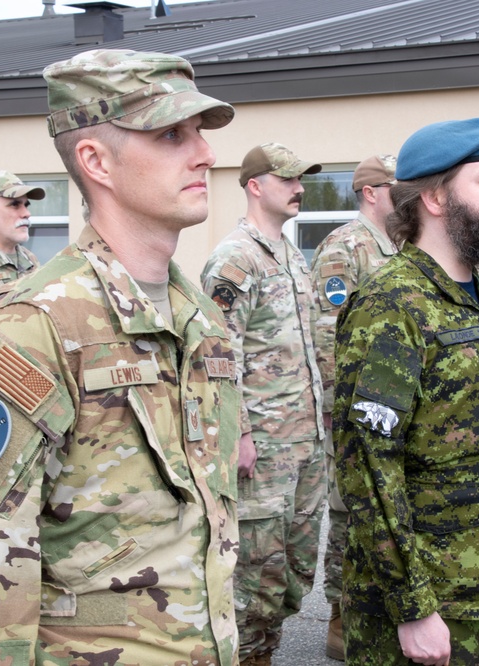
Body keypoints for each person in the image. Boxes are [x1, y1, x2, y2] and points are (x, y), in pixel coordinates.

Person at [0, 49, 242, 666]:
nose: (205, 153)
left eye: (200, 134)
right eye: (172, 134)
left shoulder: (200, 317)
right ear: (95, 161)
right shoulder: (32, 330)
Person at [333, 117, 479, 666]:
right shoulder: (392, 306)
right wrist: (413, 607)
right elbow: (367, 465)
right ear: (434, 197)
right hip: (432, 608)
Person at [201, 142, 327, 666]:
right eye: (289, 179)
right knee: (255, 577)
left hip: (304, 440)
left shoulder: (291, 254)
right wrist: (241, 435)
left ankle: (265, 656)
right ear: (256, 185)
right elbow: (217, 355)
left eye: (302, 180)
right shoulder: (235, 258)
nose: (300, 188)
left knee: (293, 573)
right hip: (265, 447)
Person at [308, 153, 398, 661]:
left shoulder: (397, 246)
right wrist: (337, 406)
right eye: (395, 188)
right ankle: (341, 616)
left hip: (389, 404)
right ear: (370, 192)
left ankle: (378, 608)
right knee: (349, 511)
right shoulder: (347, 246)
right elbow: (329, 331)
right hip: (353, 408)